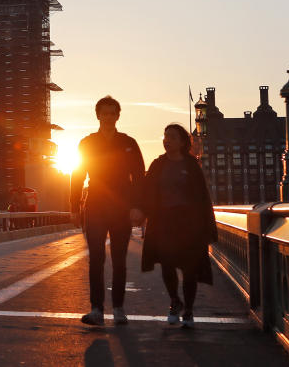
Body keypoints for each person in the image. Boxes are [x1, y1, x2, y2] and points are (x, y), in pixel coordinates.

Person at [70, 96, 145, 326]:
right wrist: (73, 207)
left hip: (122, 206)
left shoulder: (128, 142)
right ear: (98, 115)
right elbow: (78, 174)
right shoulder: (87, 143)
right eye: (105, 113)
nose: (109, 117)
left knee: (120, 259)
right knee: (96, 258)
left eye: (113, 113)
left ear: (118, 116)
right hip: (95, 205)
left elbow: (140, 177)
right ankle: (96, 309)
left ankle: (119, 308)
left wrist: (138, 206)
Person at [140, 124, 217, 328]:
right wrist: (139, 210)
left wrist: (208, 227)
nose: (167, 140)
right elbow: (146, 189)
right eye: (165, 136)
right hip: (164, 221)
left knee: (189, 269)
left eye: (172, 137)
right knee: (167, 264)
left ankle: (188, 310)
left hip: (188, 223)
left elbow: (203, 197)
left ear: (182, 142)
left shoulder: (191, 166)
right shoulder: (158, 164)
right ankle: (175, 300)